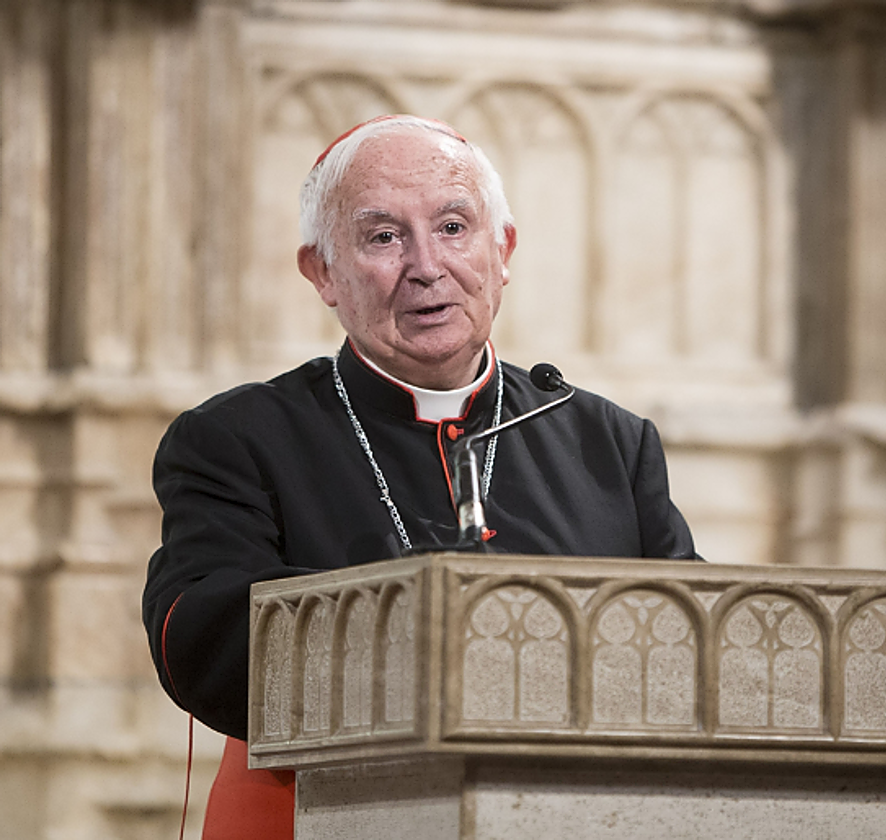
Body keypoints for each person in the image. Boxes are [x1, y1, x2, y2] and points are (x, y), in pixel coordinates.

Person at [141, 115, 698, 839]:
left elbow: (695, 645)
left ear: (503, 252)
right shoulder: (237, 439)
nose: (426, 265)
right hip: (326, 817)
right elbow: (198, 641)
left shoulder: (609, 443)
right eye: (382, 237)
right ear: (322, 273)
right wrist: (422, 621)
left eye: (455, 227)